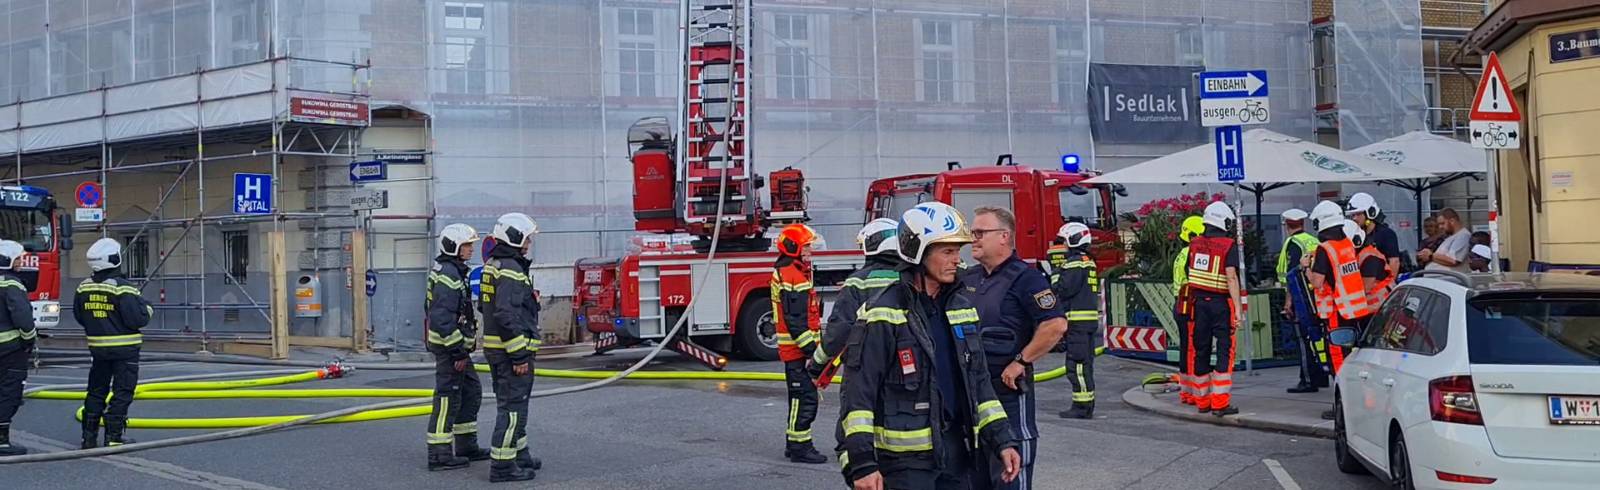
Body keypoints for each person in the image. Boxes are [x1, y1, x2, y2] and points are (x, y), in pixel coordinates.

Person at [840, 202, 1021, 490]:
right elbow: (858, 395)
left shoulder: (961, 308)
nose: (956, 261)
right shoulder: (884, 313)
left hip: (955, 456)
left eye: (958, 252)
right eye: (947, 251)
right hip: (903, 467)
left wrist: (1002, 439)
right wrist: (862, 464)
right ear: (917, 253)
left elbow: (980, 384)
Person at [961, 207, 1066, 489]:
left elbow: (1055, 324)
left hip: (1007, 391)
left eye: (981, 233)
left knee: (1010, 477)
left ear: (1004, 237)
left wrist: (1021, 360)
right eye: (973, 233)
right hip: (973, 396)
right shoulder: (969, 278)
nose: (975, 239)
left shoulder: (1026, 278)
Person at [479, 213, 541, 482]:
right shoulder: (512, 269)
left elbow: (485, 307)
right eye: (527, 238)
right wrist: (518, 354)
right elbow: (506, 314)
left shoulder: (494, 264)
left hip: (497, 349)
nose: (529, 243)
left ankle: (520, 453)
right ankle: (503, 466)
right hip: (510, 352)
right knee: (512, 407)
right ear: (515, 237)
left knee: (517, 405)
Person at [424, 224, 492, 471]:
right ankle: (439, 454)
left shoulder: (453, 270)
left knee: (470, 391)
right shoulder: (449, 275)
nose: (471, 249)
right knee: (447, 397)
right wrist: (457, 351)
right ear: (453, 247)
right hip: (449, 348)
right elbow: (442, 319)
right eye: (466, 245)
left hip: (454, 346)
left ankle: (466, 445)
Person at [75, 237, 154, 448]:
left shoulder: (83, 287)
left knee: (96, 390)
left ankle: (88, 437)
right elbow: (138, 319)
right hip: (125, 350)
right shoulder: (123, 288)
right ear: (115, 259)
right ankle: (113, 437)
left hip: (98, 349)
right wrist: (146, 307)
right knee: (123, 391)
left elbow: (79, 315)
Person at [817, 218, 902, 389]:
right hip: (907, 363)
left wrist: (815, 367)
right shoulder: (914, 277)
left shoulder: (857, 281)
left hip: (865, 365)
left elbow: (839, 331)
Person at [771, 223, 828, 464]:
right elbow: (795, 321)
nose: (810, 251)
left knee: (800, 398)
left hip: (795, 351)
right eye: (806, 247)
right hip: (797, 351)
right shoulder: (792, 275)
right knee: (804, 399)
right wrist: (812, 353)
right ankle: (799, 447)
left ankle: (794, 444)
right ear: (793, 248)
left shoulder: (793, 271)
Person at [1184, 202, 1246, 417]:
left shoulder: (1194, 244)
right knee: (1224, 351)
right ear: (1223, 221)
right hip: (1221, 304)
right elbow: (1231, 276)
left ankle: (1202, 401)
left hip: (1198, 305)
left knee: (1200, 350)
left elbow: (1188, 272)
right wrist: (1238, 309)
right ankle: (1220, 403)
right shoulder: (1228, 245)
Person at [1305, 202, 1371, 383]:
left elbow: (1317, 282)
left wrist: (1306, 269)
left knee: (1338, 354)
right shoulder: (1347, 244)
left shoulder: (1325, 249)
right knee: (1354, 353)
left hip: (1336, 309)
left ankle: (1342, 397)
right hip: (1354, 309)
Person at [1050, 222, 1100, 420]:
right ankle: (1086, 404)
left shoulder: (1073, 263)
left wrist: (1055, 272)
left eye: (1064, 241)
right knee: (1085, 364)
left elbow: (1063, 290)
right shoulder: (1088, 261)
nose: (1062, 246)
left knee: (1077, 365)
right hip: (1087, 322)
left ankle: (1082, 406)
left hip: (1077, 323)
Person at [1277, 209, 1325, 394]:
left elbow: (1291, 276)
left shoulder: (1293, 243)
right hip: (1316, 295)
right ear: (1303, 224)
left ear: (1287, 225)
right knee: (1316, 339)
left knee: (1303, 340)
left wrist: (1288, 302)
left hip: (1301, 297)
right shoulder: (1314, 241)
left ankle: (1307, 380)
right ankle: (1321, 375)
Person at [0, 241, 36, 456]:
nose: (22, 262)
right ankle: (2, 440)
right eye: (18, 258)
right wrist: (29, 339)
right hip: (10, 350)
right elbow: (23, 317)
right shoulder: (13, 285)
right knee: (9, 392)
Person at [1173, 216, 1204, 406]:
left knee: (1186, 349)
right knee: (1194, 348)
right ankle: (1194, 393)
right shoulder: (1193, 253)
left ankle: (1186, 392)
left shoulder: (1182, 253)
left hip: (1180, 303)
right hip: (1190, 304)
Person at [1348, 221, 1392, 334]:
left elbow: (1366, 287)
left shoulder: (1370, 258)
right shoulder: (1361, 255)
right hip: (1370, 310)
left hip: (1380, 310)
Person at [1345, 193, 1401, 275]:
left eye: (1358, 214)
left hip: (1380, 284)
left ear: (1371, 212)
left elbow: (1394, 262)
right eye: (1353, 215)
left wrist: (1389, 286)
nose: (1354, 218)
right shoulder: (1356, 235)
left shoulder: (1386, 234)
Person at [1420, 208, 1471, 273]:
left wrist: (1430, 256)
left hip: (1449, 279)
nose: (1440, 227)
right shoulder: (1450, 237)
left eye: (1442, 223)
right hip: (1438, 278)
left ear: (1452, 221)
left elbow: (1453, 260)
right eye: (1439, 224)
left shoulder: (1463, 236)